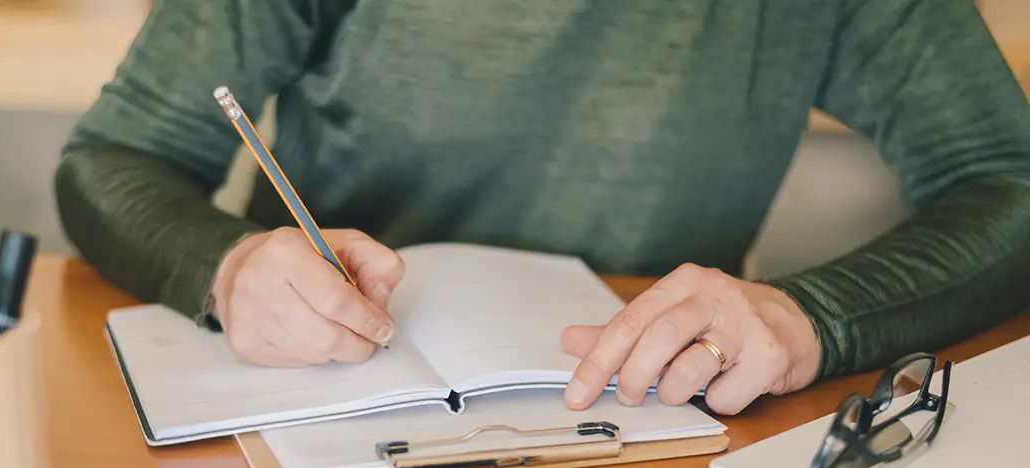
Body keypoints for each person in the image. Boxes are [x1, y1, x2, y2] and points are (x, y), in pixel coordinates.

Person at [54, 0, 1030, 416]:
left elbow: (1009, 181)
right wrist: (227, 267)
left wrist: (809, 315)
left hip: (661, 428)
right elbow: (112, 160)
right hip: (331, 407)